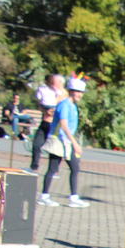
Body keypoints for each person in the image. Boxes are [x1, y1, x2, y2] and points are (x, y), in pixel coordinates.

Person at [38, 76, 87, 208]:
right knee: (53, 168)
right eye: (77, 92)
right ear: (71, 91)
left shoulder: (72, 106)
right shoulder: (64, 105)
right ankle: (44, 196)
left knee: (75, 168)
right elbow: (64, 125)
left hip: (66, 141)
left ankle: (73, 197)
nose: (80, 95)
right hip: (59, 140)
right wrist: (75, 144)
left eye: (81, 92)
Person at [31, 73, 66, 172]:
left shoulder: (64, 94)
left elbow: (63, 109)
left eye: (55, 82)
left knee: (54, 148)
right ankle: (34, 165)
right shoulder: (47, 91)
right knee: (37, 144)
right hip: (45, 122)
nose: (53, 85)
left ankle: (54, 170)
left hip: (55, 125)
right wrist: (44, 110)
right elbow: (40, 104)